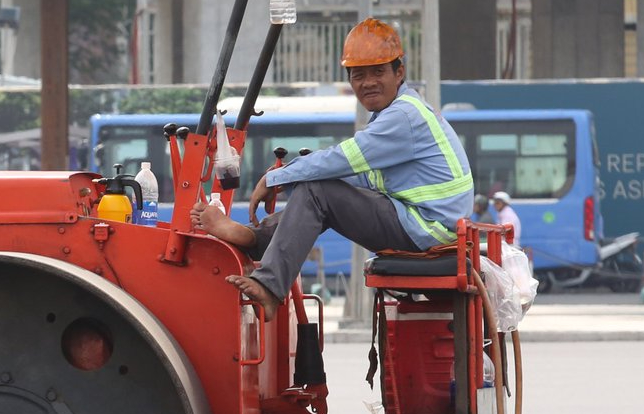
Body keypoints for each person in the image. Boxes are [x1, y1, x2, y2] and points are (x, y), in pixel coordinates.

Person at [193, 17, 474, 318]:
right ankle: (256, 238)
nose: (368, 83)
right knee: (322, 190)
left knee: (318, 189)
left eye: (378, 72)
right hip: (422, 222)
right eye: (358, 75)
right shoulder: (396, 113)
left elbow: (341, 159)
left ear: (399, 72)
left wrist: (277, 177)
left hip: (426, 228)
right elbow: (356, 177)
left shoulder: (403, 117)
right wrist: (296, 175)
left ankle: (270, 285)